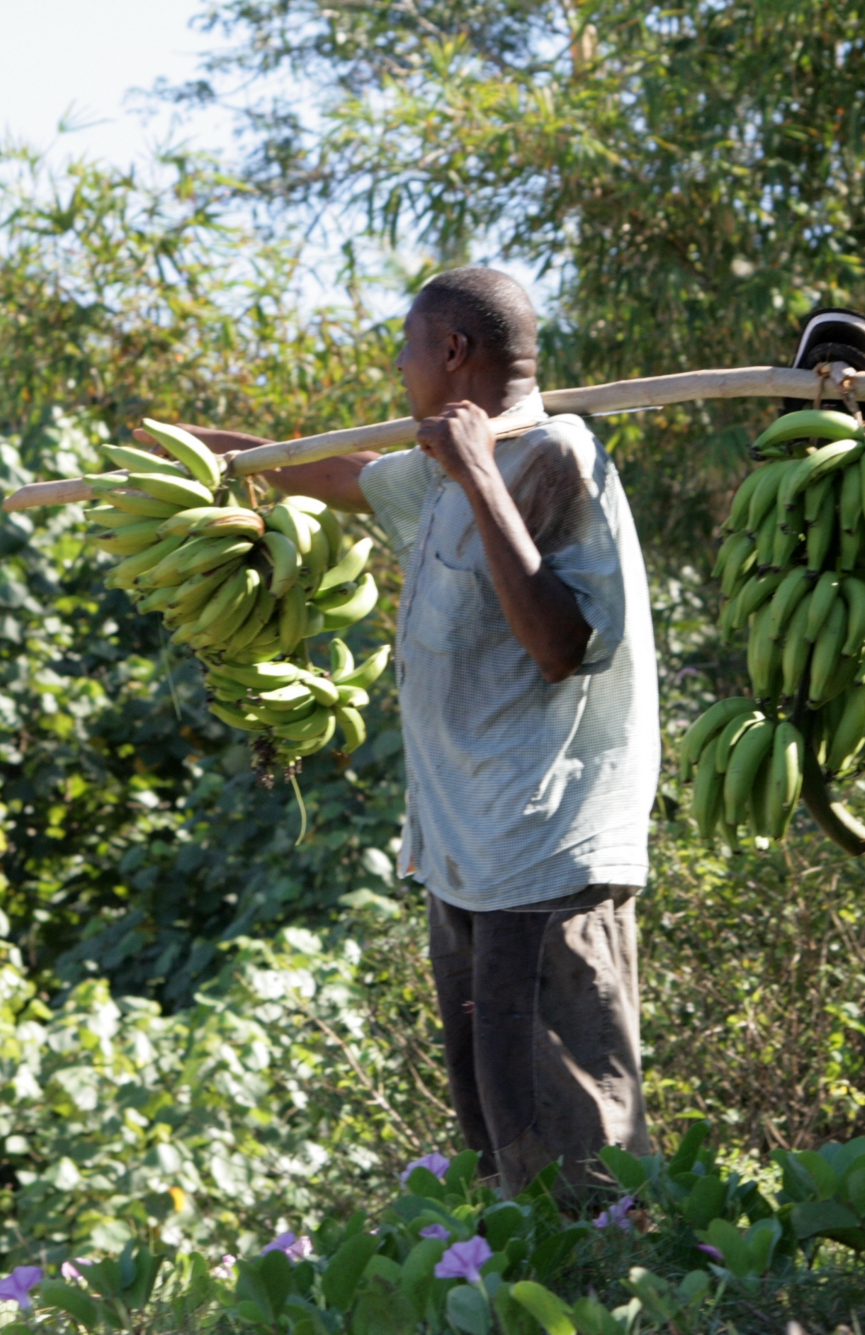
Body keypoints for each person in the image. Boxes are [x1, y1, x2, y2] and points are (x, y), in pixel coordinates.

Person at [164, 267, 660, 1199]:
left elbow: (562, 642)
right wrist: (186, 449)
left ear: (452, 353)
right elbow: (337, 472)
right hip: (465, 858)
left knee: (580, 1146)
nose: (399, 368)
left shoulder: (558, 457)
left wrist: (479, 474)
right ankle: (532, 1299)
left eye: (405, 349)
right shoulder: (437, 469)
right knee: (503, 1140)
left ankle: (629, 1299)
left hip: (545, 858)